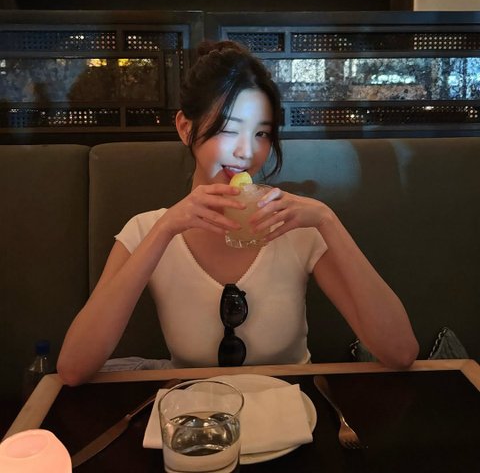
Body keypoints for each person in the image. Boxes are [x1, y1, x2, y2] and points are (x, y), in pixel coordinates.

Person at [57, 40, 419, 385]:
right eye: (230, 130)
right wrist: (165, 229)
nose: (247, 152)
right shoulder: (147, 229)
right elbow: (74, 368)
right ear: (185, 128)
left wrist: (328, 220)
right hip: (196, 418)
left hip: (291, 412)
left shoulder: (295, 226)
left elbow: (400, 352)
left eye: (262, 134)